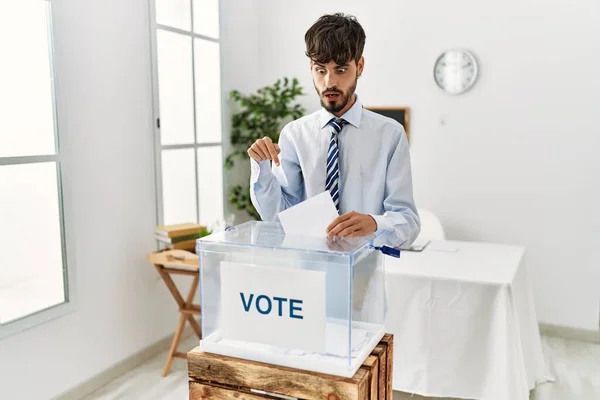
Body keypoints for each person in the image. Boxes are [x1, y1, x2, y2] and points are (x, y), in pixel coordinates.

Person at [248, 12, 420, 249]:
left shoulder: (390, 135)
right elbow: (277, 217)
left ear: (359, 66)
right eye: (321, 70)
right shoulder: (294, 135)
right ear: (311, 68)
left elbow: (409, 222)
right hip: (308, 269)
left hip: (365, 270)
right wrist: (261, 167)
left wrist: (374, 223)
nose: (329, 82)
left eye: (340, 70)